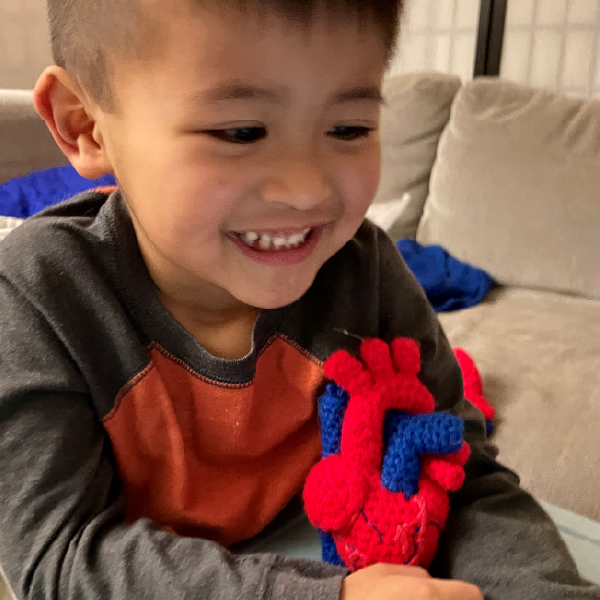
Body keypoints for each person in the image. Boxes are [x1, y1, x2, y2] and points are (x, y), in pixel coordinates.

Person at [0, 1, 597, 599]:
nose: (306, 188)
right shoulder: (40, 296)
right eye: (241, 132)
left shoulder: (368, 276)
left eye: (348, 129)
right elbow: (60, 556)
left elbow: (464, 479)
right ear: (84, 124)